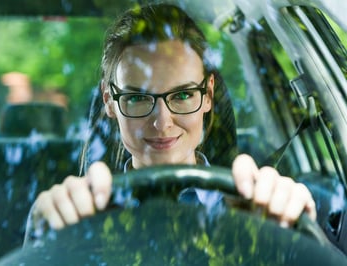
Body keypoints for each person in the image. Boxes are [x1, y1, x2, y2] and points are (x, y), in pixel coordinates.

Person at [24, 3, 316, 242]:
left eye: (184, 94)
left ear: (208, 95)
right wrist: (41, 241)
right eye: (137, 99)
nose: (162, 122)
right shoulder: (80, 221)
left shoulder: (254, 210)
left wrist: (291, 225)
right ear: (109, 101)